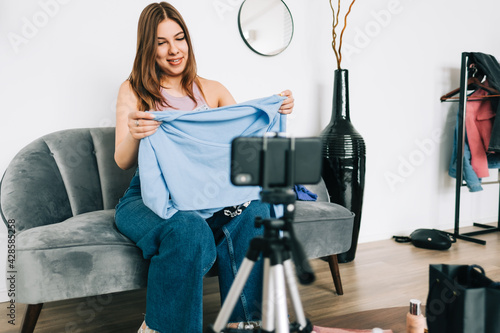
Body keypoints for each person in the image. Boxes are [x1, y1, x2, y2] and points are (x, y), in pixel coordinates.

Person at [113, 2, 294, 332]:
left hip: (209, 196)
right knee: (188, 229)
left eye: (179, 38)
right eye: (161, 42)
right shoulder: (134, 90)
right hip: (150, 195)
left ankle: (244, 323)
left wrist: (275, 109)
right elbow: (122, 160)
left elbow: (244, 152)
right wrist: (136, 133)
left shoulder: (213, 90)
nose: (173, 50)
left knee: (258, 206)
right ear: (147, 48)